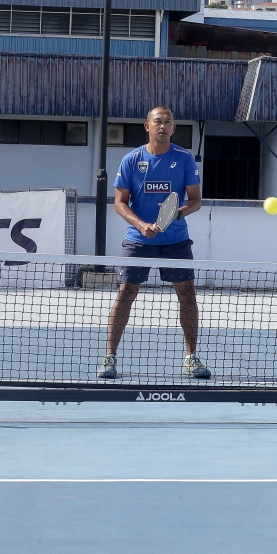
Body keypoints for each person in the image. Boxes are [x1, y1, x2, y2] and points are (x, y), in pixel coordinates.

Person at [100, 106, 210, 380]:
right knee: (125, 293)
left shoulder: (184, 159)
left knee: (187, 294)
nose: (163, 126)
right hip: (138, 240)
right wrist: (141, 225)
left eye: (168, 122)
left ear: (173, 128)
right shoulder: (131, 160)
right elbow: (119, 203)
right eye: (158, 121)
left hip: (176, 240)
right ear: (147, 126)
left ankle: (191, 358)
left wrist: (176, 214)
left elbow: (195, 200)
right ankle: (110, 357)